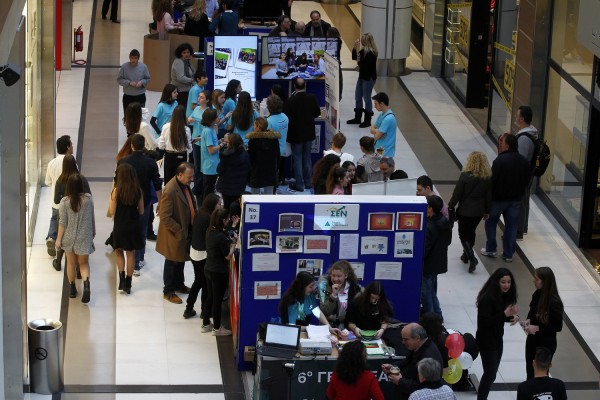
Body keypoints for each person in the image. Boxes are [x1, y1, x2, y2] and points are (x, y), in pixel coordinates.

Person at [118, 134, 163, 277]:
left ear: (131, 145)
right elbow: (157, 184)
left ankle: (129, 257)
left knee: (127, 228)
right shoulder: (150, 163)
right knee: (142, 230)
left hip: (125, 200)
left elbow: (117, 182)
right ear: (144, 146)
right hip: (145, 200)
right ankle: (138, 260)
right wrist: (160, 202)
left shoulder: (123, 161)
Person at [481, 134, 530, 263]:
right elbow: (527, 181)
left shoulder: (499, 161)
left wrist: (487, 200)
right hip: (515, 200)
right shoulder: (524, 162)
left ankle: (491, 248)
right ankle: (508, 253)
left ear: (507, 145)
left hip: (498, 199)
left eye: (502, 143)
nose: (500, 145)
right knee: (511, 226)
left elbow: (492, 181)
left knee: (491, 223)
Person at [476, 267, 520, 400]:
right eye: (503, 282)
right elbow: (485, 322)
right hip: (486, 340)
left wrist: (512, 317)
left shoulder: (503, 296)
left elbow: (498, 317)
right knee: (490, 374)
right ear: (496, 282)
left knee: (492, 374)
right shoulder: (487, 299)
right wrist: (504, 314)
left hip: (497, 339)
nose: (507, 285)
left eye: (509, 282)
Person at [157, 162, 196, 304]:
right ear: (179, 175)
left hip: (184, 231)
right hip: (175, 234)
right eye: (189, 176)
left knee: (180, 260)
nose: (191, 179)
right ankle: (168, 291)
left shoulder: (184, 185)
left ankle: (179, 285)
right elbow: (165, 216)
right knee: (172, 262)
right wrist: (179, 231)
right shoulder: (170, 189)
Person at [448, 151, 492, 273]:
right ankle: (466, 255)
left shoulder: (465, 176)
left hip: (465, 210)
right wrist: (487, 210)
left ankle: (471, 257)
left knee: (462, 234)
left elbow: (457, 194)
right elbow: (489, 196)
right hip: (478, 211)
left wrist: (451, 206)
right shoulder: (487, 178)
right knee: (471, 231)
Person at [56, 174, 96, 304]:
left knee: (71, 264)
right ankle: (86, 284)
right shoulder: (88, 199)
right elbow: (91, 218)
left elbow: (62, 223)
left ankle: (72, 289)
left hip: (69, 238)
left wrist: (58, 239)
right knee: (84, 264)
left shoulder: (65, 202)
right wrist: (93, 232)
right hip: (84, 237)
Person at [381, 323, 443, 400]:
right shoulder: (418, 346)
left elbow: (423, 386)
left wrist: (400, 381)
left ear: (417, 338)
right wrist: (393, 366)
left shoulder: (428, 358)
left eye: (405, 339)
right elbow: (407, 361)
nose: (403, 342)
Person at [184, 193, 222, 319]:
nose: (220, 206)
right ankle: (205, 312)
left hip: (194, 252)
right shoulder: (208, 218)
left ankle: (189, 308)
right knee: (206, 284)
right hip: (203, 254)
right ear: (212, 205)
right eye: (219, 204)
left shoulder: (200, 212)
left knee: (198, 281)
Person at [202, 208, 238, 335]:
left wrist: (232, 226)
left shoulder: (210, 231)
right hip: (218, 272)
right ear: (223, 220)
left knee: (210, 297)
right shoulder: (221, 237)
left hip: (208, 268)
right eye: (227, 219)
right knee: (217, 300)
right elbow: (228, 256)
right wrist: (234, 243)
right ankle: (217, 328)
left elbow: (223, 233)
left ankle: (206, 323)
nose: (228, 221)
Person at [109, 163, 144, 295]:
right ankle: (129, 283)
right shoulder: (138, 190)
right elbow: (141, 211)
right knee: (131, 254)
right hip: (133, 226)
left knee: (118, 251)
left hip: (119, 226)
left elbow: (112, 210)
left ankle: (122, 279)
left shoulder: (117, 190)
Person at [523, 267, 564, 379]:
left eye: (536, 279)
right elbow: (532, 311)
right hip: (533, 340)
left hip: (545, 343)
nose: (533, 280)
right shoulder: (537, 294)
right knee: (530, 369)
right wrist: (528, 321)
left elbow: (558, 326)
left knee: (540, 373)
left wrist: (538, 328)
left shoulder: (555, 302)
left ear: (544, 282)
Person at [53, 155, 92, 271]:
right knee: (79, 234)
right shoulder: (81, 179)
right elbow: (89, 194)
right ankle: (79, 269)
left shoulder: (60, 180)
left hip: (65, 210)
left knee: (62, 235)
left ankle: (59, 262)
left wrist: (64, 197)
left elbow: (56, 200)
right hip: (81, 209)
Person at [285, 78, 321, 192]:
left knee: (297, 158)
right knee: (307, 157)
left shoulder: (291, 100)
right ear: (304, 86)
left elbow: (287, 117)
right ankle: (308, 182)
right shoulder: (312, 98)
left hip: (296, 135)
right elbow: (317, 113)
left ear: (295, 87)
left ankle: (299, 185)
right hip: (309, 133)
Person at [422, 195, 452, 318]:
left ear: (430, 208)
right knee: (432, 291)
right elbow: (448, 241)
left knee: (426, 293)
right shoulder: (445, 222)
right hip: (439, 262)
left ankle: (431, 318)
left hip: (428, 264)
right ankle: (438, 315)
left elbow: (425, 249)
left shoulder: (429, 226)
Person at [45, 135, 73, 257]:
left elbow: (48, 182)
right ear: (68, 147)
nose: (72, 147)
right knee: (66, 222)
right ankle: (64, 242)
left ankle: (51, 237)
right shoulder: (71, 162)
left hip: (55, 201)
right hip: (69, 201)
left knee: (54, 218)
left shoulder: (52, 163)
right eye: (71, 144)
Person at [514, 105, 539, 240]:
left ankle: (518, 230)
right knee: (524, 200)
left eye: (517, 115)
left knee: (520, 201)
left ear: (522, 119)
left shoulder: (524, 138)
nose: (515, 117)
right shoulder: (532, 132)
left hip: (522, 175)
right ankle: (523, 227)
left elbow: (521, 160)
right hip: (528, 173)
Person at [318, 260, 362, 329]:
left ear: (346, 275)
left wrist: (335, 317)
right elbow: (325, 311)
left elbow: (356, 315)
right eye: (333, 275)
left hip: (348, 331)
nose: (335, 279)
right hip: (329, 329)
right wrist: (333, 295)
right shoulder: (325, 287)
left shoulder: (355, 290)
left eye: (339, 276)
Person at [347, 33, 378, 128]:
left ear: (368, 41)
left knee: (367, 98)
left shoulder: (372, 53)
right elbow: (354, 57)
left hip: (369, 78)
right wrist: (354, 48)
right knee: (357, 96)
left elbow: (366, 67)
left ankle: (367, 120)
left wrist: (359, 62)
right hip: (362, 77)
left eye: (364, 40)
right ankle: (357, 118)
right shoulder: (363, 50)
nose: (362, 42)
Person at [158, 105, 192, 185]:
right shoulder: (186, 129)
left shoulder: (165, 127)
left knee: (168, 180)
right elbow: (189, 149)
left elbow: (161, 145)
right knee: (180, 180)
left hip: (169, 156)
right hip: (181, 157)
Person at [188, 89, 212, 201]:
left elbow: (204, 122)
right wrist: (191, 120)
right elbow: (189, 119)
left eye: (201, 97)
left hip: (205, 142)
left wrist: (195, 119)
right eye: (199, 97)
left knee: (204, 166)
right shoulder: (197, 108)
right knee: (197, 166)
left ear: (207, 100)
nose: (199, 99)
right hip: (196, 141)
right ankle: (198, 188)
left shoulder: (209, 111)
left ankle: (205, 188)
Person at [247, 117, 281, 194]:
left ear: (258, 127)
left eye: (254, 125)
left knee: (254, 197)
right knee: (269, 196)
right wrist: (277, 167)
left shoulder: (253, 140)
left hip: (256, 170)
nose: (253, 127)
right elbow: (277, 155)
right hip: (270, 170)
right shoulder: (274, 139)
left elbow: (251, 158)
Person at [216, 133, 250, 209]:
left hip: (226, 187)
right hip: (239, 187)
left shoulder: (225, 156)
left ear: (231, 144)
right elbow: (248, 170)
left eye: (227, 142)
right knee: (236, 208)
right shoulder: (246, 155)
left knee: (226, 207)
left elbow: (219, 170)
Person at [265, 94, 288, 184]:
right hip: (282, 148)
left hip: (273, 151)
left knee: (272, 172)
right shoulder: (285, 117)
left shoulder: (269, 121)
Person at [199, 109, 221, 198]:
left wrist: (219, 142)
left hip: (213, 165)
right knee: (208, 193)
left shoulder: (212, 129)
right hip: (209, 167)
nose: (219, 118)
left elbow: (212, 143)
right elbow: (211, 150)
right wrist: (222, 145)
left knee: (211, 190)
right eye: (216, 117)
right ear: (211, 119)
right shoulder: (208, 131)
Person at [370, 92, 397, 157]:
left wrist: (375, 131)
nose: (374, 106)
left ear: (381, 104)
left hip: (385, 151)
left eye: (376, 104)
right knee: (375, 165)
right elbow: (371, 129)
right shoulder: (381, 115)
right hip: (379, 149)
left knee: (378, 166)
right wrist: (378, 131)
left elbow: (376, 136)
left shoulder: (388, 119)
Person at [170, 43, 195, 108]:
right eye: (184, 53)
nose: (187, 54)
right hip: (180, 91)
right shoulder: (179, 62)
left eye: (188, 52)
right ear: (180, 53)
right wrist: (192, 80)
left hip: (186, 90)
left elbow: (192, 73)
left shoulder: (187, 61)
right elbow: (180, 78)